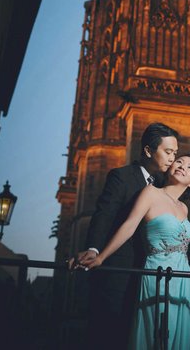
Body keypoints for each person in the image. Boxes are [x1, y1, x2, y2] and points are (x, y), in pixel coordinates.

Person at [69, 122, 179, 348]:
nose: (172, 159)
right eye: (168, 152)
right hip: (119, 274)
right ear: (148, 150)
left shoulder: (164, 185)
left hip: (150, 275)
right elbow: (104, 214)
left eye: (175, 153)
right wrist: (94, 249)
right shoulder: (121, 176)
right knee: (111, 336)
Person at [80, 154, 190, 350]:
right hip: (158, 272)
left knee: (179, 336)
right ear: (170, 167)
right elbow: (129, 226)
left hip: (183, 277)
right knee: (158, 332)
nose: (182, 166)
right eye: (179, 161)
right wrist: (101, 256)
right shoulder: (151, 192)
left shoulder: (184, 208)